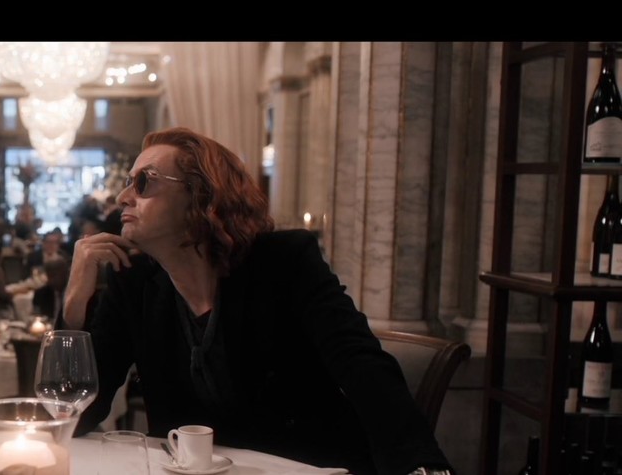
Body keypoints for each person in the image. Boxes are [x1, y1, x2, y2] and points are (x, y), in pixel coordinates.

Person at [63, 127, 453, 475]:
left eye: (143, 182)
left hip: (306, 465)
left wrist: (422, 468)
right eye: (128, 182)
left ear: (201, 197)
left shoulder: (284, 262)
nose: (122, 197)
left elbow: (362, 364)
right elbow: (77, 416)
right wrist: (74, 306)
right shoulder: (133, 283)